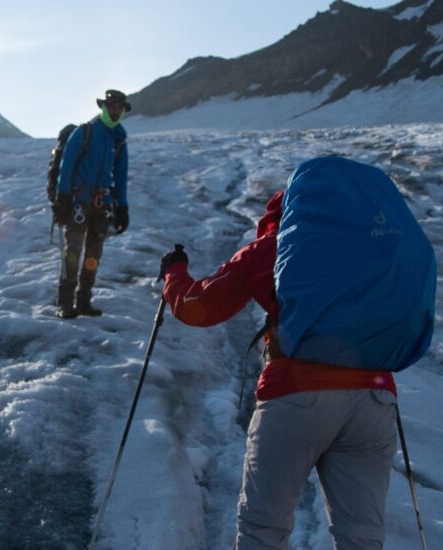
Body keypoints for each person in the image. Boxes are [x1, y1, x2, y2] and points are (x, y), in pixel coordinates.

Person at [160, 175, 402, 548]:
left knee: (264, 530)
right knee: (362, 536)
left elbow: (198, 308)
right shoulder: (372, 249)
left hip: (297, 394)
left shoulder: (278, 246)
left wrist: (174, 273)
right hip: (375, 400)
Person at [52, 89, 131, 318]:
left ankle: (84, 301)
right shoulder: (85, 132)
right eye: (112, 106)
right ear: (104, 107)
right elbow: (66, 166)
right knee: (73, 252)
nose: (115, 111)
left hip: (102, 206)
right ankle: (65, 303)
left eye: (119, 107)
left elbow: (121, 176)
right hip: (78, 202)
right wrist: (63, 197)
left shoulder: (120, 140)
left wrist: (122, 206)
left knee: (93, 255)